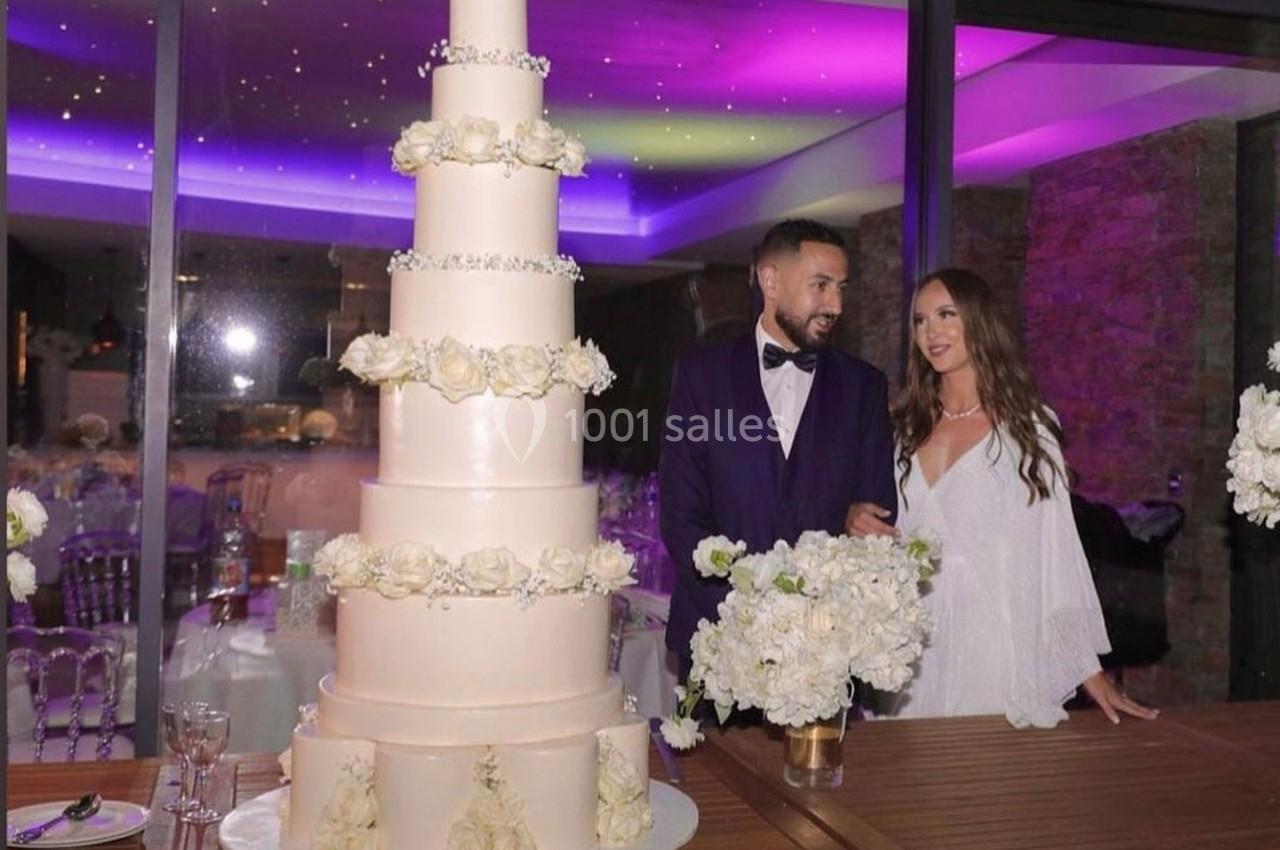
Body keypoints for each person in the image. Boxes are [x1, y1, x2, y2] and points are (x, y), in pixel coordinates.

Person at [852, 267, 1158, 727]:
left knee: (985, 769)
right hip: (909, 649)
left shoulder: (1028, 432)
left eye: (946, 314)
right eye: (920, 320)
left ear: (978, 320)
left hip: (992, 649)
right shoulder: (899, 427)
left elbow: (1056, 557)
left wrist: (1089, 672)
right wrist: (854, 517)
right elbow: (875, 523)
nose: (931, 331)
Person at [659, 218, 897, 678]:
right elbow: (681, 515)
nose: (835, 305)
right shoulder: (701, 378)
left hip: (823, 649)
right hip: (718, 642)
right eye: (820, 285)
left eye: (841, 288)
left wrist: (814, 623)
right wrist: (747, 622)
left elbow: (876, 515)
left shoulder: (863, 387)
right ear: (770, 281)